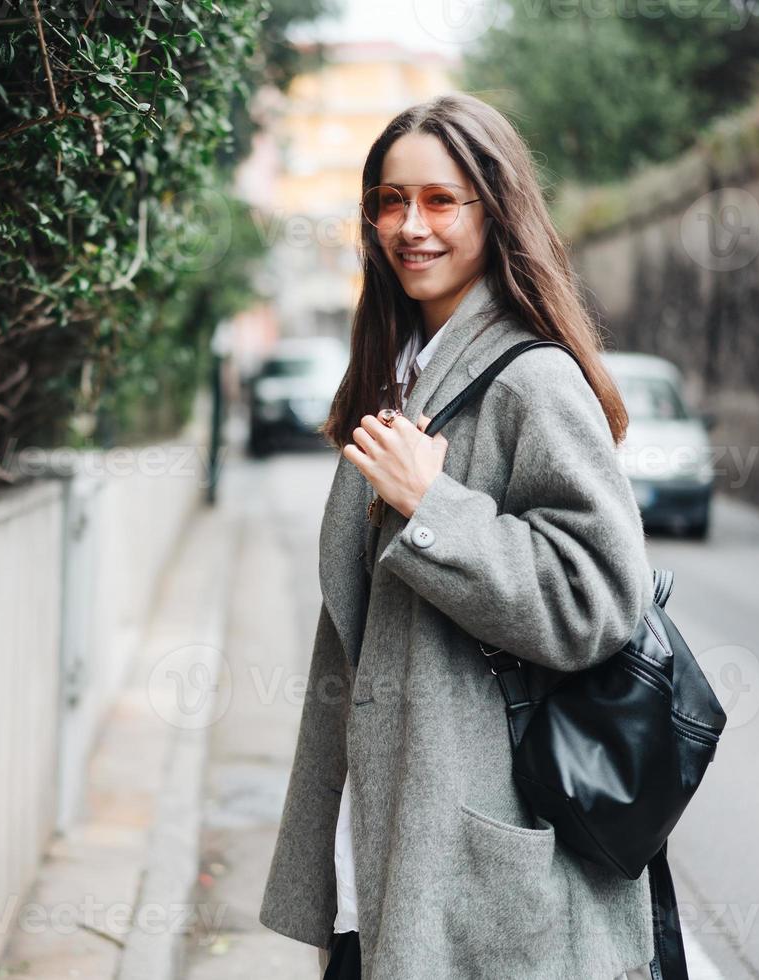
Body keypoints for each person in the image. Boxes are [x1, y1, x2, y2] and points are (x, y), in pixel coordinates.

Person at [256, 92, 659, 980]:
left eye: (441, 200)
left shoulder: (533, 380)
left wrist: (434, 507)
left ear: (496, 208)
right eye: (390, 202)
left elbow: (599, 598)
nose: (411, 226)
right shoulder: (403, 374)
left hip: (480, 870)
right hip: (394, 840)